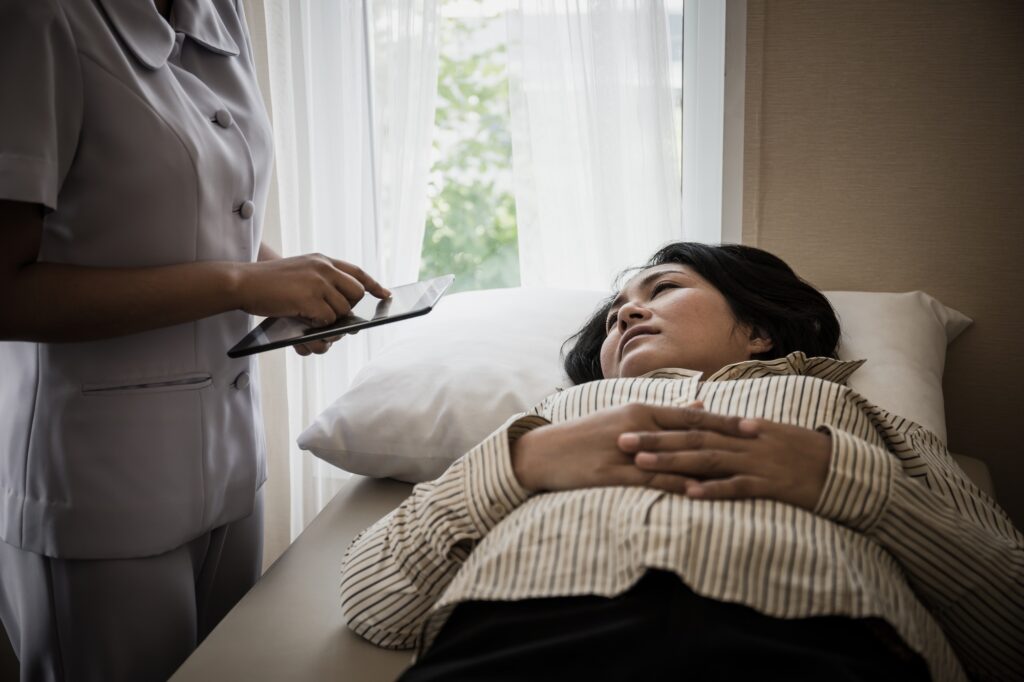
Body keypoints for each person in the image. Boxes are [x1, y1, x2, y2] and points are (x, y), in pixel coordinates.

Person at [340, 243, 1024, 681]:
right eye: (613, 317)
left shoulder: (864, 420)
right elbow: (377, 602)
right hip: (520, 639)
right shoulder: (548, 423)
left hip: (818, 641)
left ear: (757, 329)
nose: (626, 316)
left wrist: (841, 479)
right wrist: (524, 463)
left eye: (661, 290)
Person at [0, 1, 388, 680]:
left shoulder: (217, 10)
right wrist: (243, 283)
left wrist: (288, 285)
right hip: (101, 483)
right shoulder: (39, 19)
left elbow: (210, 206)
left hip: (232, 464)